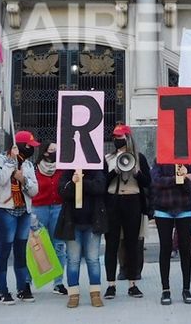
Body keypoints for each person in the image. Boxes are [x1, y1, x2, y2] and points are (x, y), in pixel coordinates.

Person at [104, 123, 151, 299]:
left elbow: (148, 182)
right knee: (112, 244)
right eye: (115, 137)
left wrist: (137, 173)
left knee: (132, 244)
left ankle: (133, 283)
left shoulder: (139, 158)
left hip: (132, 201)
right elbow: (102, 183)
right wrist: (114, 171)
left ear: (128, 138)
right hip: (113, 201)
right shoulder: (108, 158)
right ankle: (111, 285)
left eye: (120, 137)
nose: (117, 140)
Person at [0, 130, 39, 304]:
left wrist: (24, 180)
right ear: (18, 145)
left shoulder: (27, 165)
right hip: (5, 210)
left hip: (23, 211)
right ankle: (3, 290)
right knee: (4, 251)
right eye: (28, 146)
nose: (31, 150)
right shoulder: (0, 160)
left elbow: (34, 190)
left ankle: (23, 287)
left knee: (21, 251)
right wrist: (11, 163)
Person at [55, 167, 108, 308]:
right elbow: (62, 191)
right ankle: (73, 294)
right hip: (72, 223)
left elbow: (101, 187)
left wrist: (83, 182)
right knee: (73, 260)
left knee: (93, 259)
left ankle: (95, 293)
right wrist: (73, 182)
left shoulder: (96, 169)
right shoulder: (67, 170)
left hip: (92, 222)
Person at [151, 160, 191, 305]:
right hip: (163, 208)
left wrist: (184, 180)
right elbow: (156, 182)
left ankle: (186, 289)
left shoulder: (189, 161)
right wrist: (179, 178)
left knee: (185, 249)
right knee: (165, 248)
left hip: (185, 208)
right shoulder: (159, 159)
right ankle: (165, 290)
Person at [31, 143, 68, 295]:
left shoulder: (63, 168)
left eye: (57, 149)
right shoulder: (34, 169)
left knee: (59, 245)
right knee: (35, 245)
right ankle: (28, 281)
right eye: (52, 150)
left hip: (58, 208)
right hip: (39, 208)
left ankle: (58, 283)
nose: (54, 152)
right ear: (45, 152)